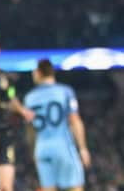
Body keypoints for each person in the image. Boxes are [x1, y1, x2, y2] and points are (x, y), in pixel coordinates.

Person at [24, 59, 91, 191]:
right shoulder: (65, 91)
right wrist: (83, 148)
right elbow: (75, 120)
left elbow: (30, 129)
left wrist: (33, 151)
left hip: (41, 148)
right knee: (75, 187)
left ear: (38, 73)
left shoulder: (29, 98)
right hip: (63, 146)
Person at [0, 32, 34, 191]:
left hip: (3, 136)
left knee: (5, 187)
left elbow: (11, 98)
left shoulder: (6, 79)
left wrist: (23, 111)